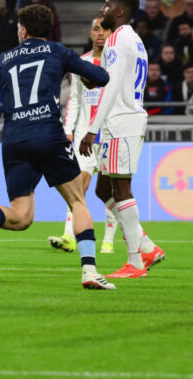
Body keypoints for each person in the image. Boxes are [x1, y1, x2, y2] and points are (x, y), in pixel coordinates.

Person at [0, 4, 115, 290]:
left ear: (23, 30)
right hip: (48, 134)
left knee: (21, 217)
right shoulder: (58, 51)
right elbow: (103, 77)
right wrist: (87, 79)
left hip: (14, 140)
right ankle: (90, 271)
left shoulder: (4, 59)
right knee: (77, 202)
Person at [78, 0, 166, 279]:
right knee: (103, 189)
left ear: (120, 12)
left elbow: (114, 86)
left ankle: (135, 262)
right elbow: (113, 81)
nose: (104, 7)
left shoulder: (116, 39)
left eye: (109, 4)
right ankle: (146, 245)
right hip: (121, 120)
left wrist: (91, 130)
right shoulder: (133, 39)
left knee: (121, 190)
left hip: (122, 121)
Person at [48, 17, 121, 255]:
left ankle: (109, 239)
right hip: (84, 136)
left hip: (111, 133)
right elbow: (75, 100)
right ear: (90, 33)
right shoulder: (81, 63)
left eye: (105, 29)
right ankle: (69, 235)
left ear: (112, 33)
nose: (100, 34)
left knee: (112, 188)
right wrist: (68, 130)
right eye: (96, 29)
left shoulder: (118, 61)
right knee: (79, 184)